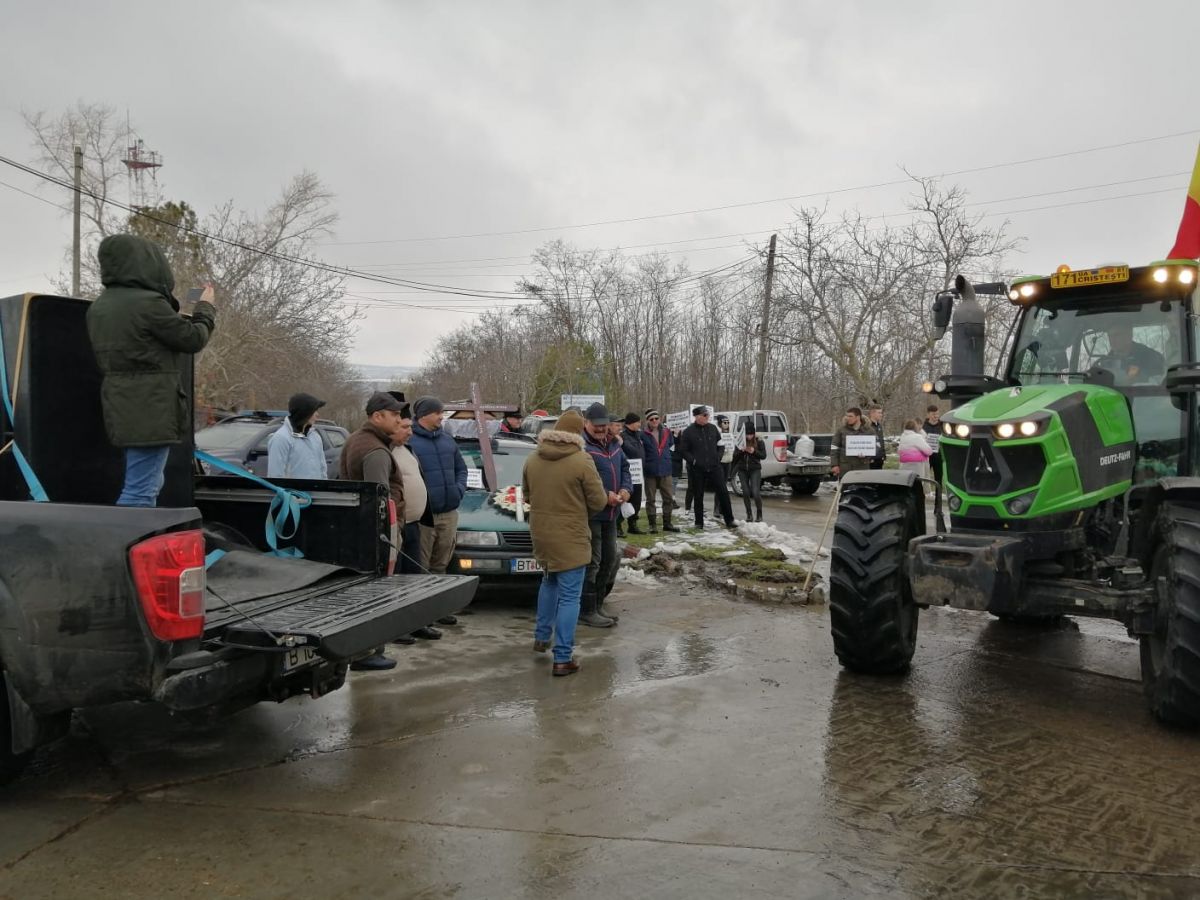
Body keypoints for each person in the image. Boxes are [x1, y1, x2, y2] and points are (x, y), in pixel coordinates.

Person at [86, 233, 216, 507]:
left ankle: (136, 532)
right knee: (140, 490)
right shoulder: (148, 305)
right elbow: (193, 339)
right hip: (151, 406)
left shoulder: (100, 307)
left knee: (149, 482)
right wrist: (205, 308)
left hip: (122, 404)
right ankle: (127, 535)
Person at [522, 409, 609, 676]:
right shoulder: (582, 460)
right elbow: (599, 501)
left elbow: (527, 496)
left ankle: (541, 637)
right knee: (570, 596)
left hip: (542, 534)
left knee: (549, 582)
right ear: (577, 433)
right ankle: (562, 657)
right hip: (571, 536)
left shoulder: (532, 458)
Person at [338, 391, 410, 670]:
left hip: (360, 531)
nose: (399, 420)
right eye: (394, 415)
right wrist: (389, 533)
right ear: (377, 417)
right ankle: (366, 652)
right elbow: (380, 501)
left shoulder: (359, 439)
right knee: (375, 591)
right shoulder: (375, 451)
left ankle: (364, 650)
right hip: (376, 534)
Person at [581, 403, 632, 627]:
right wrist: (604, 495)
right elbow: (582, 481)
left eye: (604, 425)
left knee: (609, 559)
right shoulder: (582, 447)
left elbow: (625, 469)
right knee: (593, 562)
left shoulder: (614, 444)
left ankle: (598, 605)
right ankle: (587, 610)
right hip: (592, 514)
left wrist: (626, 489)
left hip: (612, 513)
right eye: (596, 425)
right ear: (586, 423)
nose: (601, 429)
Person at [408, 396, 468, 577]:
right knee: (421, 566)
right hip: (424, 517)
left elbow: (461, 469)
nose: (441, 416)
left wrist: (458, 490)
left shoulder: (448, 441)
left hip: (449, 514)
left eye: (441, 412)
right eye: (437, 412)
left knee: (441, 565)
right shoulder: (409, 442)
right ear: (423, 415)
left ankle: (440, 594)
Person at [678, 406, 735, 529]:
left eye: (707, 415)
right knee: (698, 495)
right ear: (697, 417)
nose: (707, 417)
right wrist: (693, 461)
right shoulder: (688, 431)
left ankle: (729, 520)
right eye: (705, 415)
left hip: (714, 466)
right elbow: (683, 450)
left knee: (723, 492)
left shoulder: (713, 428)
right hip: (697, 468)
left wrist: (718, 457)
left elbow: (721, 445)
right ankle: (699, 522)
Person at [267, 393, 327, 480]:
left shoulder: (315, 437)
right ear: (304, 412)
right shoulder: (281, 439)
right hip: (291, 489)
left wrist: (323, 487)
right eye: (314, 411)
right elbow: (275, 476)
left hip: (315, 489)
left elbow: (322, 470)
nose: (317, 415)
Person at [640, 408, 679, 533]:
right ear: (647, 421)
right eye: (651, 419)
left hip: (666, 469)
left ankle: (667, 523)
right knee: (651, 499)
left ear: (660, 419)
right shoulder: (642, 434)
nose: (654, 421)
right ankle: (652, 525)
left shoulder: (667, 432)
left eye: (656, 418)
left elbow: (671, 446)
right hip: (650, 470)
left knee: (668, 498)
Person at [731, 422, 767, 522]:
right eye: (747, 434)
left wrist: (754, 451)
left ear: (754, 434)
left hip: (755, 469)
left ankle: (759, 514)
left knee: (755, 492)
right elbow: (734, 457)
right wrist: (741, 451)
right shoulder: (740, 442)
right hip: (742, 470)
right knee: (746, 492)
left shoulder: (759, 441)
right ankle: (749, 514)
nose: (749, 436)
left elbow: (763, 456)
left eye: (751, 434)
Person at [619, 412, 646, 535]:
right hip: (628, 473)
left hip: (638, 473)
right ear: (631, 423)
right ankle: (618, 525)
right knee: (625, 499)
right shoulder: (623, 436)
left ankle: (633, 524)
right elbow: (632, 451)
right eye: (638, 422)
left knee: (637, 500)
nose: (640, 424)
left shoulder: (638, 435)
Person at [831, 407, 875, 479]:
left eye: (850, 416)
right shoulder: (841, 430)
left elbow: (876, 448)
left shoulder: (869, 430)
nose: (847, 418)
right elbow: (834, 448)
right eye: (847, 416)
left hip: (862, 468)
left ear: (858, 417)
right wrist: (834, 465)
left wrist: (867, 455)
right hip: (845, 469)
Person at [922, 405, 942, 481]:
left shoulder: (943, 426)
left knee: (939, 478)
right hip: (927, 457)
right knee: (924, 477)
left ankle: (938, 489)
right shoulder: (923, 426)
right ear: (928, 414)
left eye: (937, 414)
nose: (936, 416)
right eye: (933, 414)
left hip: (939, 456)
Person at [868, 404, 886, 470]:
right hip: (871, 460)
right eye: (879, 413)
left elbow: (881, 441)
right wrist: (869, 457)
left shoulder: (879, 426)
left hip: (879, 459)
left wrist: (883, 454)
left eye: (881, 413)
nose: (881, 415)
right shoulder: (867, 426)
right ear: (872, 413)